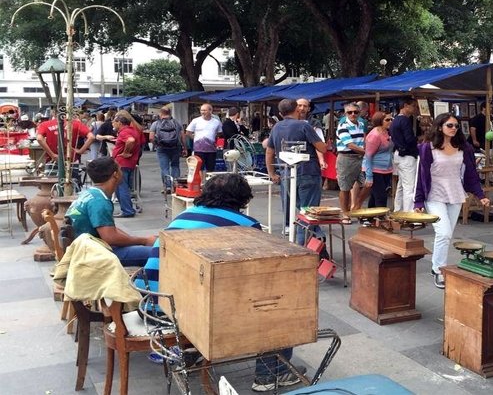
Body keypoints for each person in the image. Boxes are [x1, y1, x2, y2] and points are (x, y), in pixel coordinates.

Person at [134, 174, 306, 391]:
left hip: (149, 305)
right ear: (243, 199)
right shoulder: (246, 225)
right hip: (178, 315)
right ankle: (271, 374)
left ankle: (191, 352)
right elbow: (254, 274)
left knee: (203, 287)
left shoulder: (185, 215)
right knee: (274, 306)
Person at [415, 113, 489, 289]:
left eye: (456, 126)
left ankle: (437, 266)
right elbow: (421, 176)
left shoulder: (464, 148)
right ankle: (439, 270)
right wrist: (418, 202)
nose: (454, 128)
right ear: (440, 127)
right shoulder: (427, 148)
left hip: (455, 194)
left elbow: (471, 175)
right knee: (444, 232)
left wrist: (481, 195)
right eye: (449, 125)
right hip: (434, 195)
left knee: (447, 235)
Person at [65, 157, 156, 266]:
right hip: (93, 254)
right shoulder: (100, 201)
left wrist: (134, 240)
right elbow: (110, 238)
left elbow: (110, 229)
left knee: (144, 248)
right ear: (115, 174)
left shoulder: (89, 193)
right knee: (157, 253)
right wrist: (144, 241)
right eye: (120, 169)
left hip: (85, 248)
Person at [265, 99, 327, 242]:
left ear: (281, 113)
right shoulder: (304, 126)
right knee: (308, 211)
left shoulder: (276, 127)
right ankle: (303, 243)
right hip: (308, 172)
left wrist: (271, 173)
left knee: (301, 208)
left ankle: (316, 238)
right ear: (297, 109)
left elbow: (269, 152)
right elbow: (322, 148)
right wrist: (325, 145)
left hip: (287, 173)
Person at [335, 103, 366, 221]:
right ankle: (345, 213)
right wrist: (366, 152)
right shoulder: (343, 126)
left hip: (360, 158)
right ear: (345, 113)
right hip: (347, 158)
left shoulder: (361, 124)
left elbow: (363, 140)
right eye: (350, 112)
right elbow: (349, 144)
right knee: (345, 188)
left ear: (359, 113)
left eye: (355, 112)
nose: (353, 114)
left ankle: (356, 208)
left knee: (367, 184)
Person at [357, 111, 394, 208]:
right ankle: (380, 216)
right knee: (381, 197)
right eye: (387, 120)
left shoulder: (386, 132)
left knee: (375, 196)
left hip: (386, 169)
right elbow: (368, 156)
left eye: (391, 119)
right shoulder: (374, 135)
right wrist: (369, 176)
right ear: (379, 121)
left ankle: (371, 215)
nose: (390, 121)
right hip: (374, 169)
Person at [389, 97, 419, 212]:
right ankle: (408, 212)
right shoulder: (405, 120)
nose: (415, 109)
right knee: (409, 187)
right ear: (406, 106)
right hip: (406, 155)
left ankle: (398, 210)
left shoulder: (395, 120)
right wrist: (418, 139)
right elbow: (409, 139)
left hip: (398, 154)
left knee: (401, 185)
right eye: (413, 106)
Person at [111, 115, 141, 218]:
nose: (113, 124)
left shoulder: (125, 132)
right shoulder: (133, 130)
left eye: (114, 122)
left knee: (121, 187)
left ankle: (127, 210)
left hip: (122, 163)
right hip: (129, 162)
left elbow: (131, 140)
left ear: (119, 123)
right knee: (122, 186)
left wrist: (126, 152)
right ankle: (127, 209)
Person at [149, 106, 184, 194]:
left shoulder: (156, 124)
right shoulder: (177, 123)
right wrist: (185, 147)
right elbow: (182, 136)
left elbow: (151, 137)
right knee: (175, 166)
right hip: (175, 147)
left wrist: (156, 145)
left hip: (162, 148)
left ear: (160, 113)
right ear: (170, 113)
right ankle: (175, 186)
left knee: (164, 168)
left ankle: (167, 187)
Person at [186, 103, 223, 172]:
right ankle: (201, 179)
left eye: (204, 110)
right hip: (198, 150)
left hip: (211, 150)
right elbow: (188, 132)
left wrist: (213, 138)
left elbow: (220, 133)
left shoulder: (216, 122)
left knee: (211, 168)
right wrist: (195, 139)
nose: (202, 112)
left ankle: (209, 179)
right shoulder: (196, 121)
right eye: (201, 110)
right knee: (199, 168)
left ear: (210, 111)